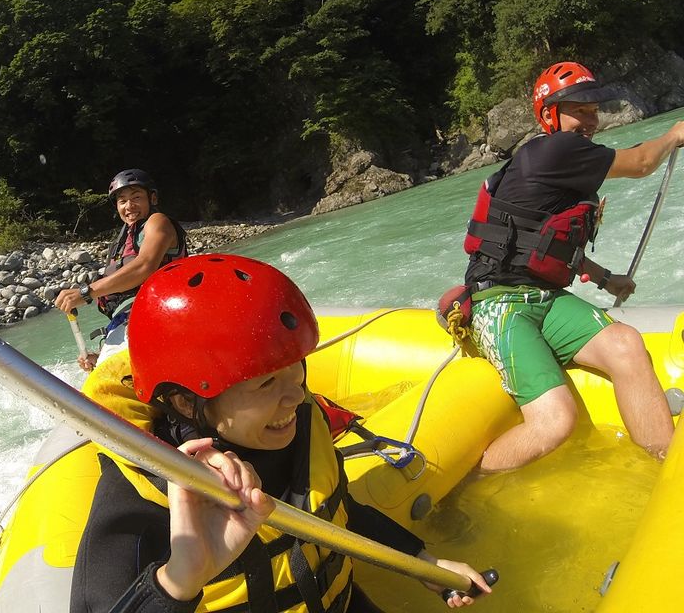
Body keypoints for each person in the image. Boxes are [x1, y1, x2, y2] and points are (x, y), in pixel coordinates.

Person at [71, 254, 492, 611]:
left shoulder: (304, 422)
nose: (295, 398)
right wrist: (177, 583)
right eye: (266, 384)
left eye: (297, 373)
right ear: (186, 403)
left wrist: (421, 559)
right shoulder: (134, 501)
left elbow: (335, 513)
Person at [463, 61, 684, 472]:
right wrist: (673, 135)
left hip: (546, 299)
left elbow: (544, 242)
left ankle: (665, 467)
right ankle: (473, 481)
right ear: (549, 114)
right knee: (556, 421)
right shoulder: (555, 150)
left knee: (627, 344)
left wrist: (604, 278)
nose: (590, 119)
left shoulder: (562, 166)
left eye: (593, 110)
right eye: (578, 109)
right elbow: (639, 164)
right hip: (501, 303)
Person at [56, 169, 187, 371]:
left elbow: (145, 265)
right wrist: (99, 359)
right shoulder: (122, 241)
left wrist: (86, 292)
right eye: (122, 201)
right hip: (127, 324)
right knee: (100, 373)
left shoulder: (158, 221)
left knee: (102, 390)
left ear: (152, 198)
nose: (129, 206)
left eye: (136, 197)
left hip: (157, 315)